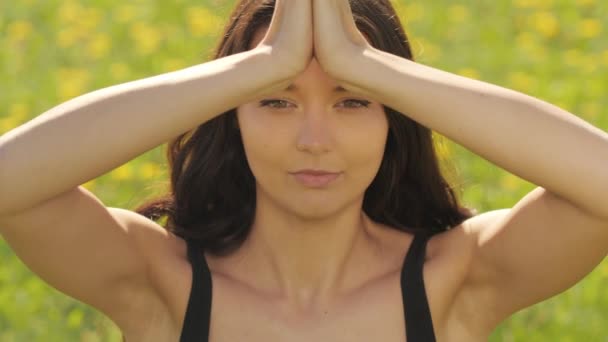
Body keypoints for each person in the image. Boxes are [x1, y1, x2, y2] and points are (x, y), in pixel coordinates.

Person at [0, 0, 606, 341]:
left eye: (352, 102)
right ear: (228, 113)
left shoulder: (455, 280)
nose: (315, 141)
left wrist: (373, 68)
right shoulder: (162, 283)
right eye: (277, 102)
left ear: (394, 117)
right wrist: (256, 66)